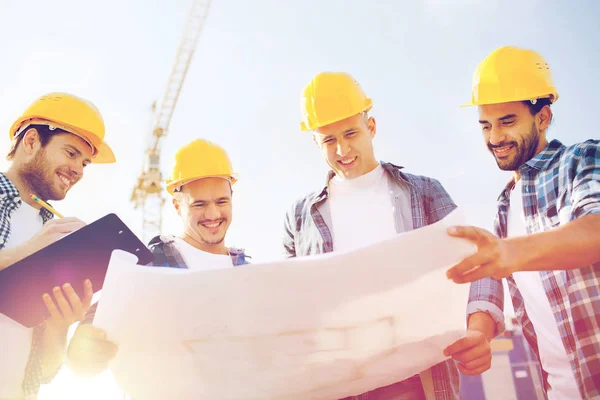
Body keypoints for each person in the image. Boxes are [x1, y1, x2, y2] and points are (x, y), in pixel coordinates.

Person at [283, 72, 502, 399]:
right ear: (315, 142)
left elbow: (478, 260)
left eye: (350, 133)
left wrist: (480, 331)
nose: (342, 149)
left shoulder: (424, 193)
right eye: (328, 140)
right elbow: (292, 304)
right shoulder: (299, 218)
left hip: (420, 379)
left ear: (370, 127)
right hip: (340, 385)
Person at [446, 46, 600, 400]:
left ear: (543, 117)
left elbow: (596, 229)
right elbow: (492, 287)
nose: (494, 138)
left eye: (508, 121)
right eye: (486, 125)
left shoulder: (584, 159)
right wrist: (480, 336)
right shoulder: (503, 208)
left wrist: (512, 252)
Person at [66, 138, 250, 381]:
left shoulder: (247, 273)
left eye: (221, 201)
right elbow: (88, 348)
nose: (213, 214)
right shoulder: (149, 264)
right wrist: (84, 346)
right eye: (199, 204)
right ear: (176, 206)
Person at [0, 92, 116, 399]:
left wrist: (61, 325)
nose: (78, 169)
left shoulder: (53, 232)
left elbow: (45, 372)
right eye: (70, 153)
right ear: (31, 141)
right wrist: (24, 254)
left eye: (85, 162)